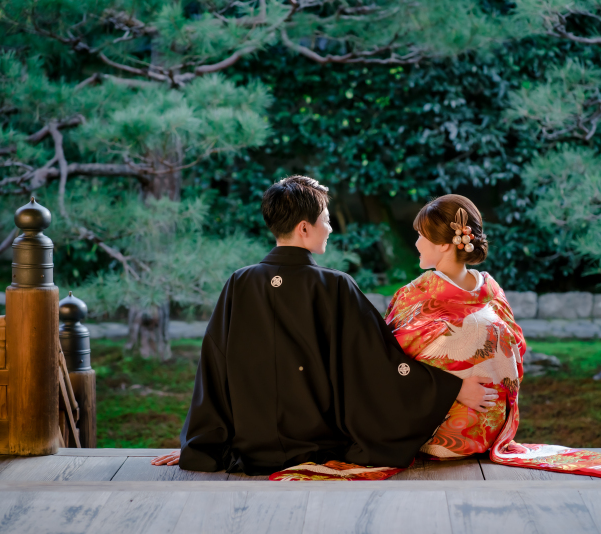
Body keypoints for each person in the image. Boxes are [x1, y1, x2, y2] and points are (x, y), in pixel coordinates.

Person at [152, 177, 497, 474]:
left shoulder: (239, 283)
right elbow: (380, 365)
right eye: (326, 221)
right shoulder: (335, 286)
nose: (330, 228)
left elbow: (213, 368)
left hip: (249, 448)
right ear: (304, 228)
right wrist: (452, 388)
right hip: (317, 448)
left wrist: (200, 445)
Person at [384, 194, 526, 460]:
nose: (416, 243)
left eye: (421, 236)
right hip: (488, 430)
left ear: (443, 245)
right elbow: (517, 347)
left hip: (435, 432)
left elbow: (388, 358)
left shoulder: (416, 294)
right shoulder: (491, 289)